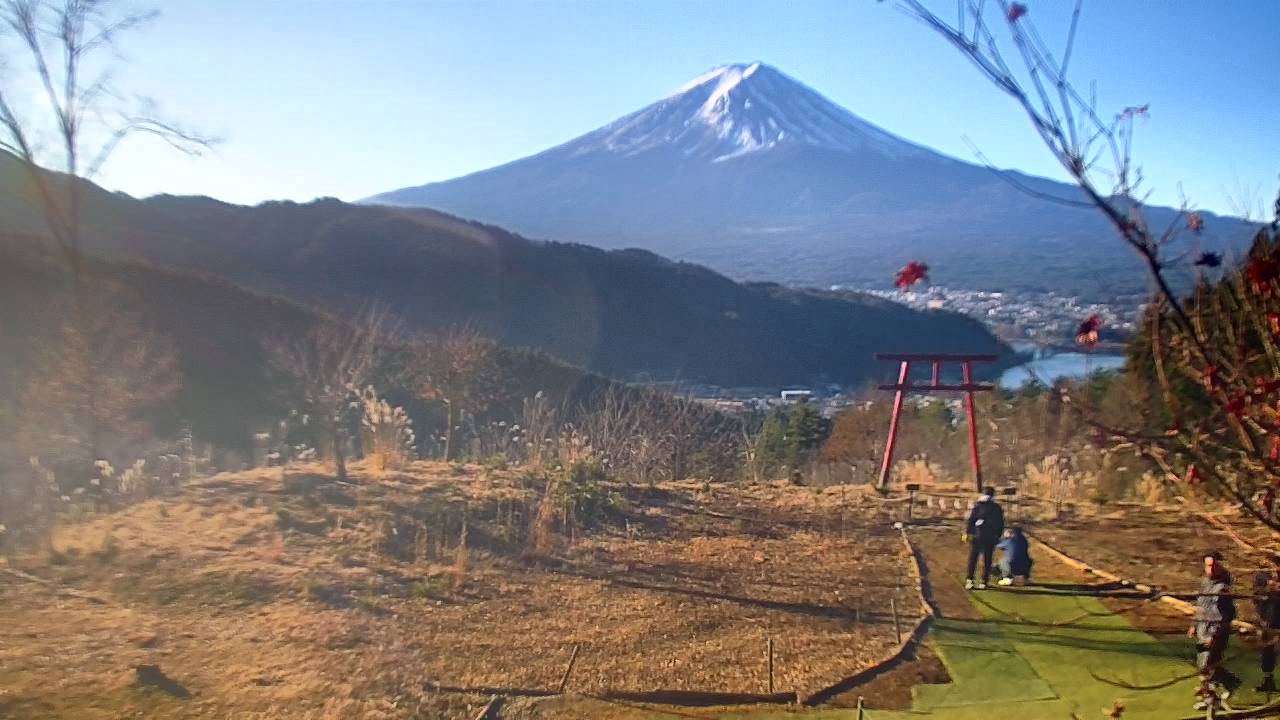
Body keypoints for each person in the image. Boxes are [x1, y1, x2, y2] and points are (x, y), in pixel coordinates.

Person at [1191, 551, 1242, 711]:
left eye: (1213, 566)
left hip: (1216, 632)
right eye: (1207, 566)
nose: (1210, 570)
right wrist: (1194, 624)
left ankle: (1219, 692)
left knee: (1208, 664)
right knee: (1204, 665)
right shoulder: (1205, 582)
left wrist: (1214, 634)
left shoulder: (1223, 588)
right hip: (1202, 628)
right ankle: (1216, 694)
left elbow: (1225, 615)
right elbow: (1201, 604)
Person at [963, 486, 1004, 590]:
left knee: (973, 559)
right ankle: (984, 581)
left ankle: (970, 580)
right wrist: (998, 536)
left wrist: (967, 532)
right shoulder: (996, 507)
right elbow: (1000, 524)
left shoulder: (977, 506)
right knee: (987, 560)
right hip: (990, 537)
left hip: (977, 536)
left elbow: (971, 520)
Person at [1253, 552, 1280, 693]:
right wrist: (1260, 618)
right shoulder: (1262, 576)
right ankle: (1268, 680)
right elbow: (1256, 596)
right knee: (1267, 650)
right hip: (1267, 619)